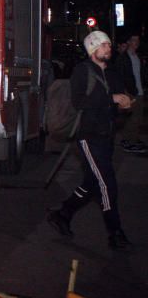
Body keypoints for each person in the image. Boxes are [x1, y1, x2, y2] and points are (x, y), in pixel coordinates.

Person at [47, 30, 133, 249]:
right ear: (93, 49)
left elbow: (115, 102)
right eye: (104, 45)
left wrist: (123, 104)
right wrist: (110, 98)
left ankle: (63, 214)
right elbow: (79, 102)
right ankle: (115, 233)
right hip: (88, 137)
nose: (108, 48)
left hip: (107, 136)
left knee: (93, 183)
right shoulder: (82, 71)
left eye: (108, 45)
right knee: (107, 184)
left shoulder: (112, 73)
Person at [116, 33, 146, 154]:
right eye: (134, 40)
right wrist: (125, 92)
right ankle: (128, 141)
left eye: (138, 40)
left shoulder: (137, 56)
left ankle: (133, 138)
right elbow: (120, 76)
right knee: (133, 118)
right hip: (130, 92)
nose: (136, 43)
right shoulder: (123, 58)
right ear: (128, 42)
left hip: (139, 91)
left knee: (138, 117)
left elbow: (140, 74)